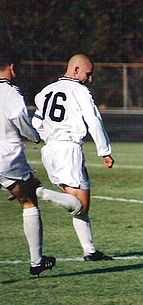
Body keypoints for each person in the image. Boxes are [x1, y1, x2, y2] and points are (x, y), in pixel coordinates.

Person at [32, 54, 114, 261]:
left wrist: (45, 138)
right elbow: (93, 120)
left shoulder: (45, 91)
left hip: (49, 150)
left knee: (78, 205)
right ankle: (39, 192)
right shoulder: (79, 90)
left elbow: (36, 123)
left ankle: (90, 251)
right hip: (68, 150)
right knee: (81, 206)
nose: (90, 79)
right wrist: (104, 150)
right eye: (88, 74)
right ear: (76, 70)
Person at [0, 50, 56, 276]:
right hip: (7, 154)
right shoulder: (9, 91)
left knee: (25, 191)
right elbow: (20, 121)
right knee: (30, 199)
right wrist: (35, 136)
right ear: (12, 67)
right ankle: (36, 261)